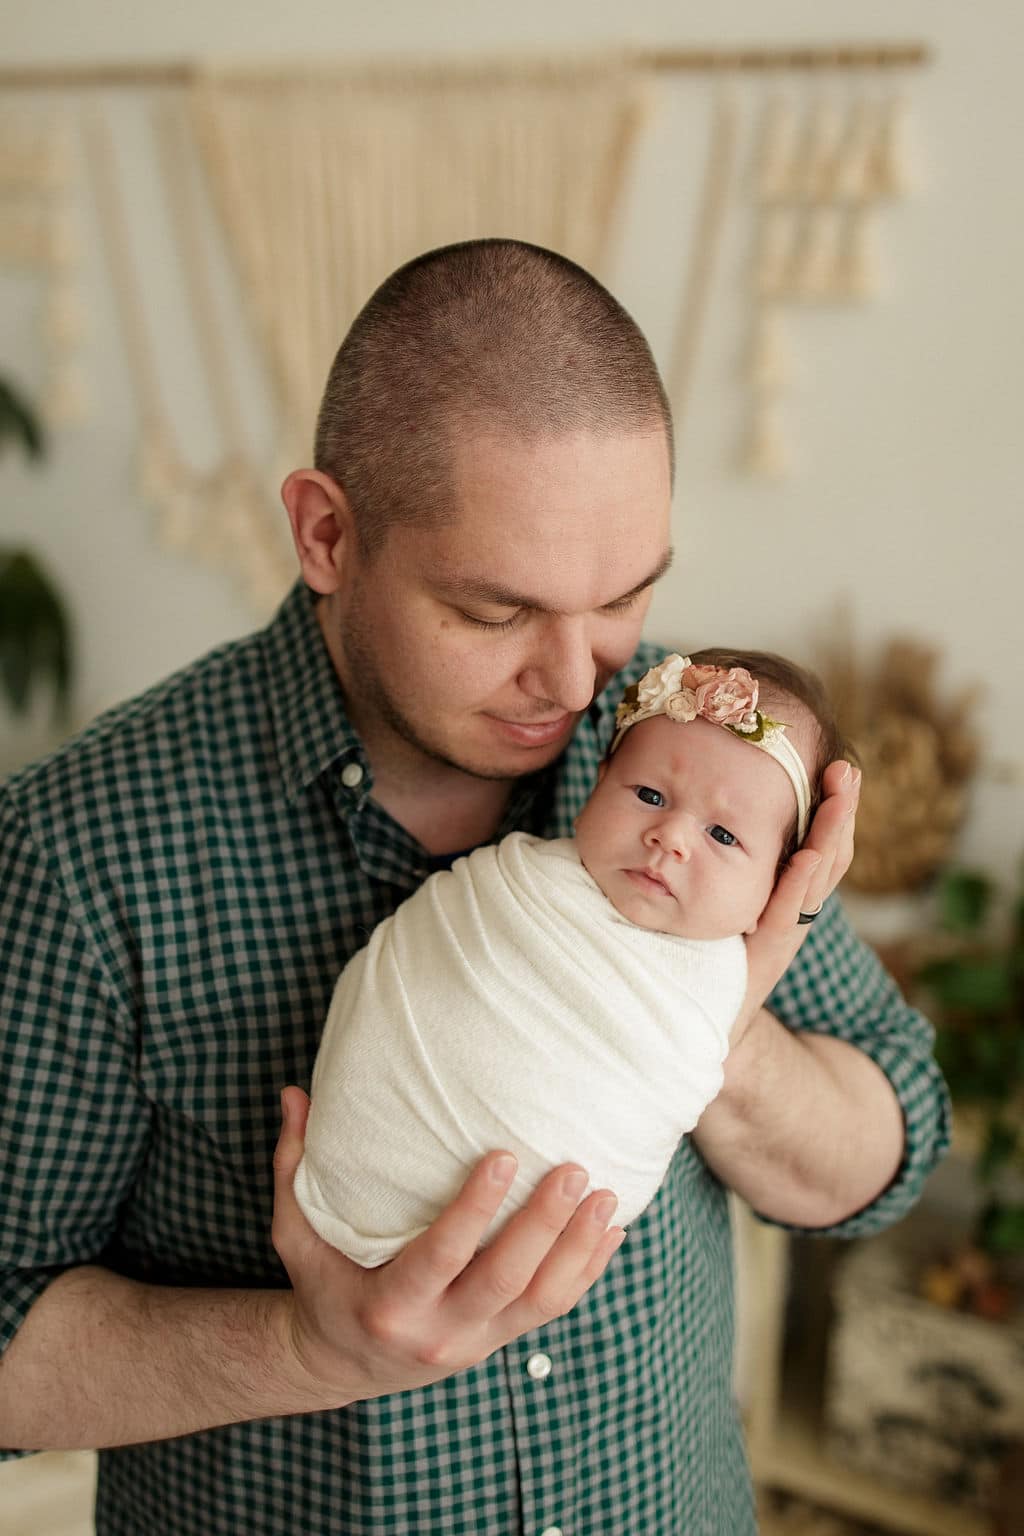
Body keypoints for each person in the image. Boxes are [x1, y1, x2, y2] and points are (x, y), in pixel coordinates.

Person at [0, 239, 950, 1536]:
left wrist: (714, 1019)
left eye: (624, 597)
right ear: (327, 533)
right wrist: (310, 1351)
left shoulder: (703, 761)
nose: (575, 683)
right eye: (495, 613)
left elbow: (886, 1148)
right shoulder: (81, 850)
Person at [296, 647, 849, 1267]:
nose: (670, 837)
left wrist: (762, 968)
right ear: (597, 781)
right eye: (648, 794)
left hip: (536, 1241)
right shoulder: (524, 885)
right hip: (367, 1152)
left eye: (723, 836)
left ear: (777, 887)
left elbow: (882, 1153)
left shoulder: (722, 978)